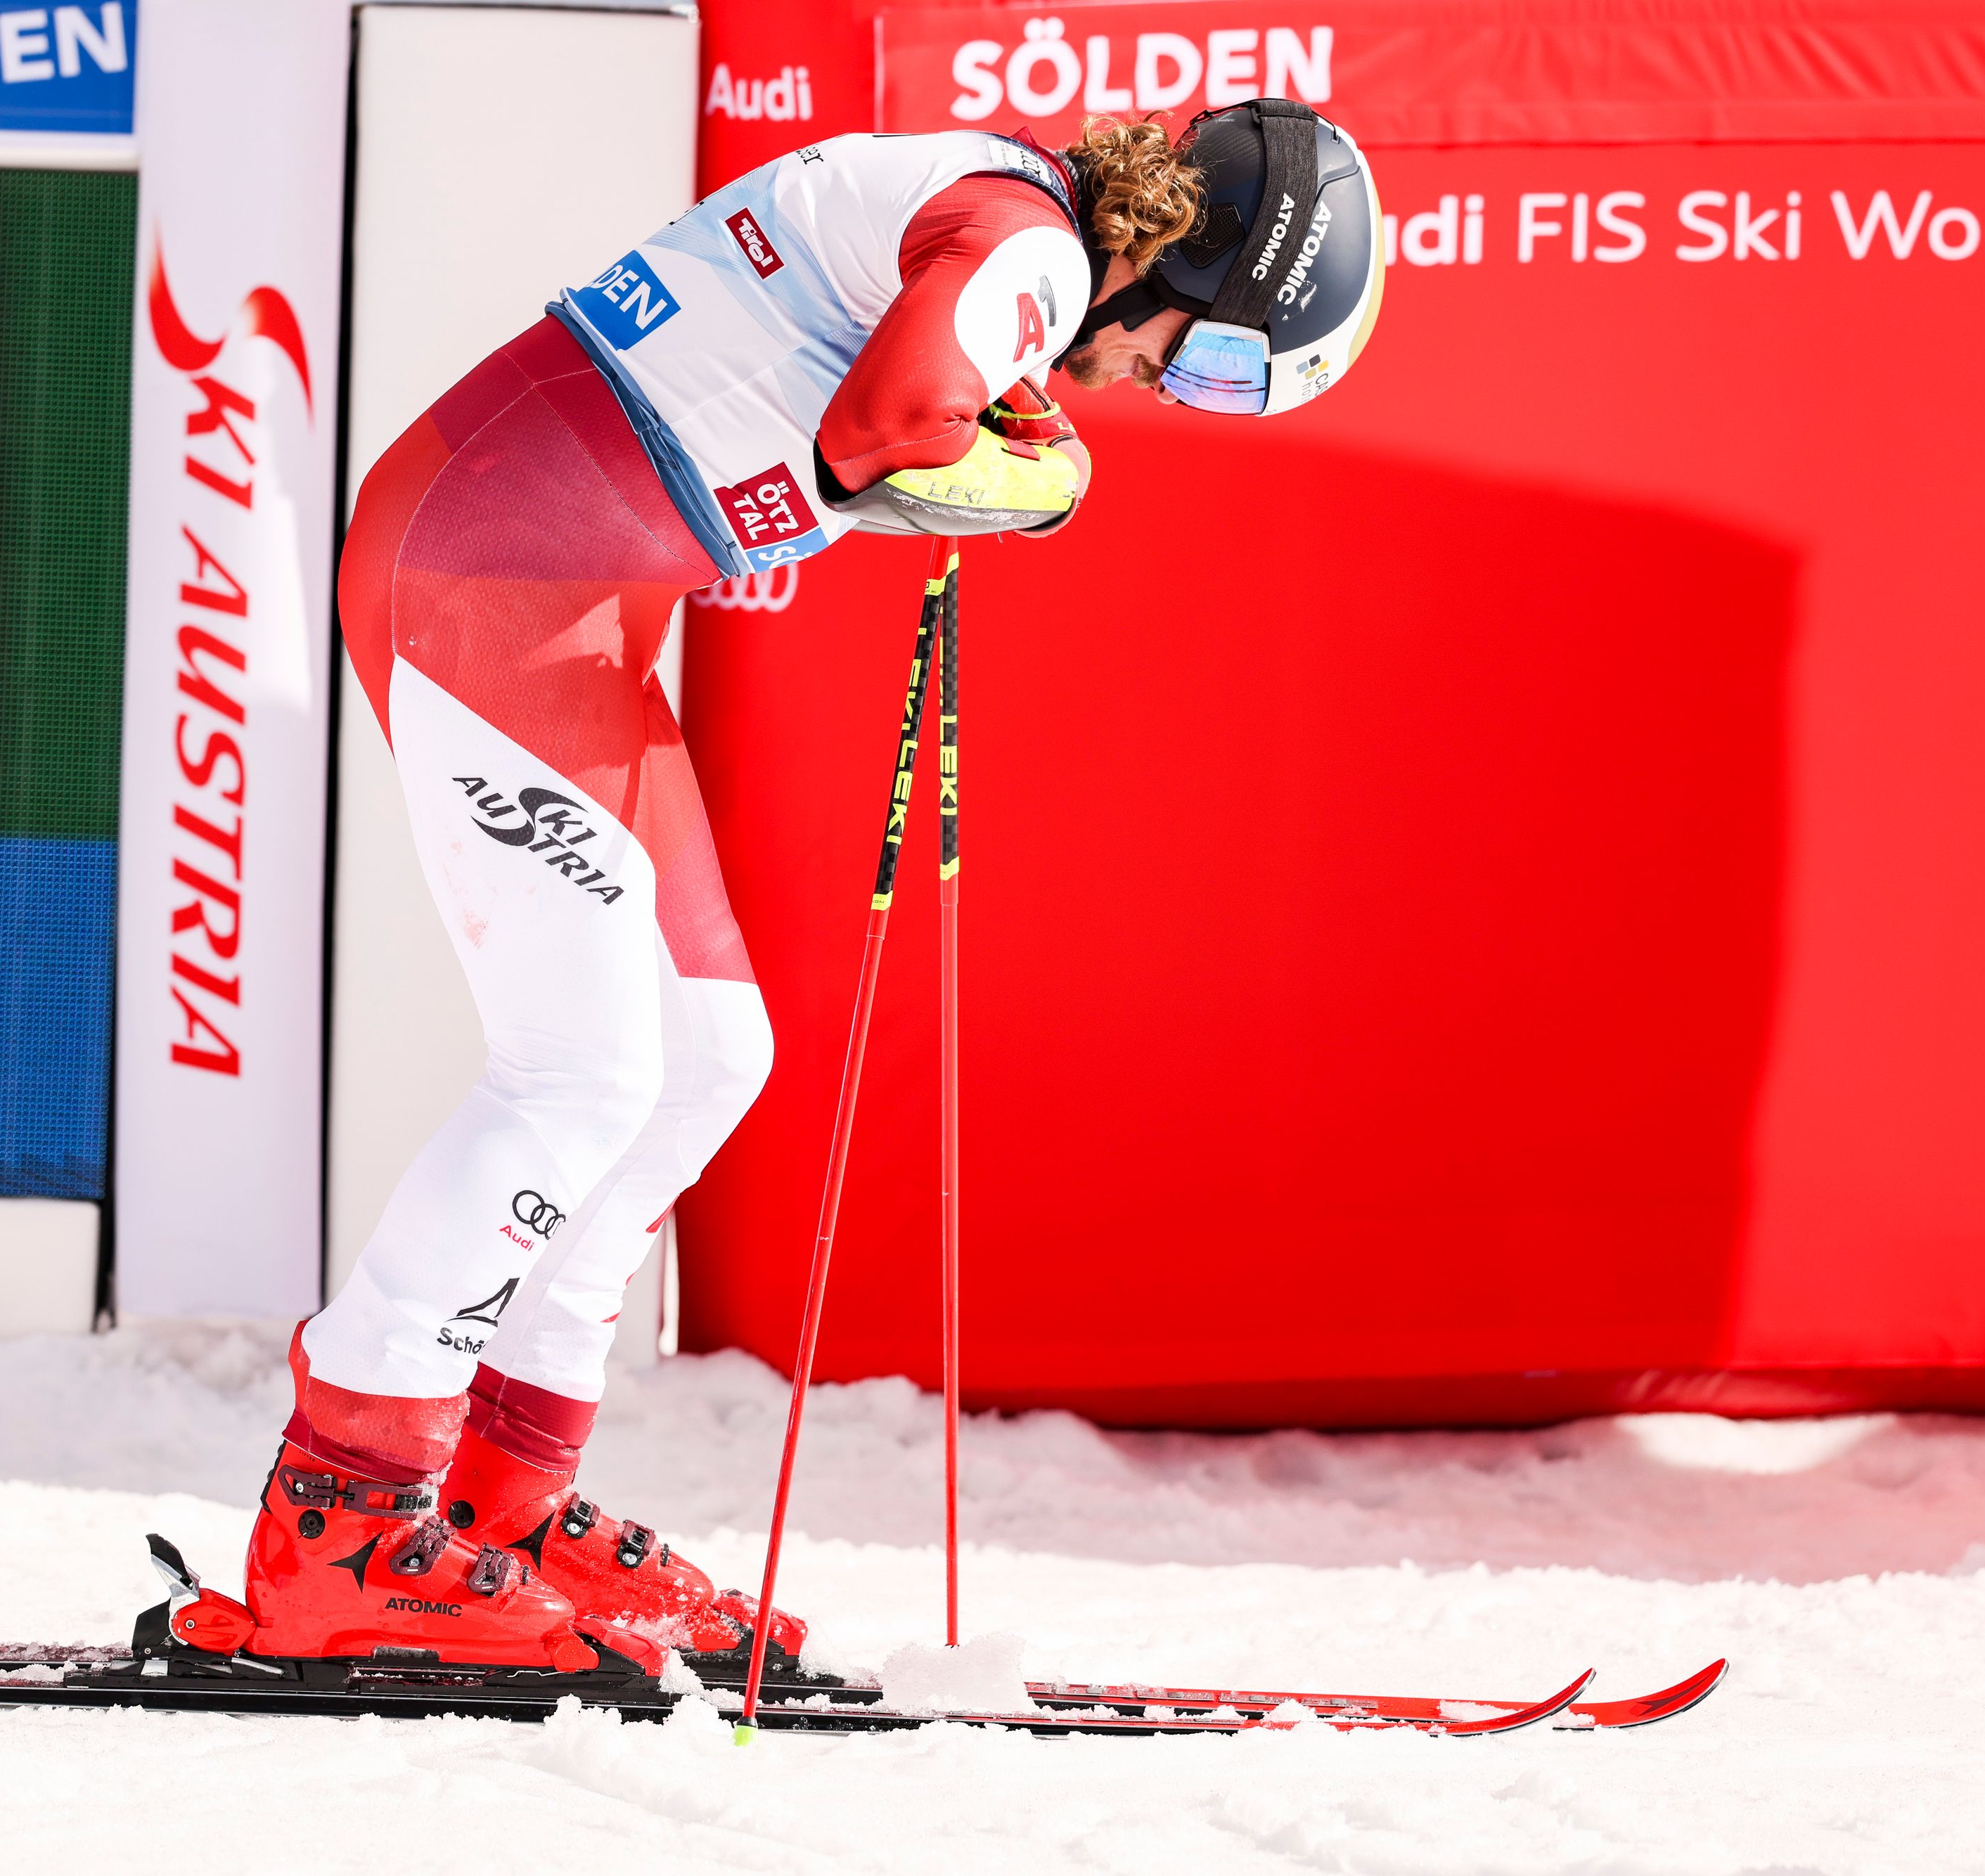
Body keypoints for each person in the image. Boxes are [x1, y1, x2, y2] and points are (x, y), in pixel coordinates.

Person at [240, 101, 1386, 1673]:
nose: (1155, 386)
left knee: (706, 1055)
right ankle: (342, 1519)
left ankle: (507, 1494)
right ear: (1178, 264)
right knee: (580, 1073)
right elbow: (883, 434)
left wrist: (1007, 440)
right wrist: (1040, 484)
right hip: (487, 579)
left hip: (555, 595)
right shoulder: (1039, 250)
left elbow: (889, 410)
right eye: (1207, 362)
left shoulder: (1012, 223)